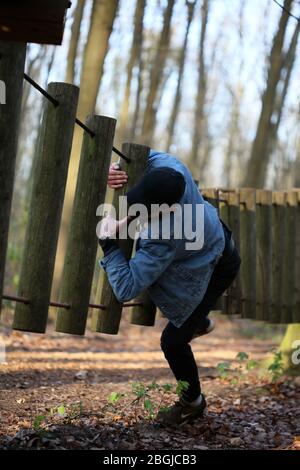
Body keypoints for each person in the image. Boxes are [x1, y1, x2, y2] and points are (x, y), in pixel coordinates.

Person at [98, 149, 241, 426]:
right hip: (207, 240)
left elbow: (126, 287)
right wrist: (116, 168)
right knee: (178, 303)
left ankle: (193, 403)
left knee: (173, 342)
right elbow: (144, 156)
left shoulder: (163, 237)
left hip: (218, 261)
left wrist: (109, 244)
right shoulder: (171, 166)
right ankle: (197, 321)